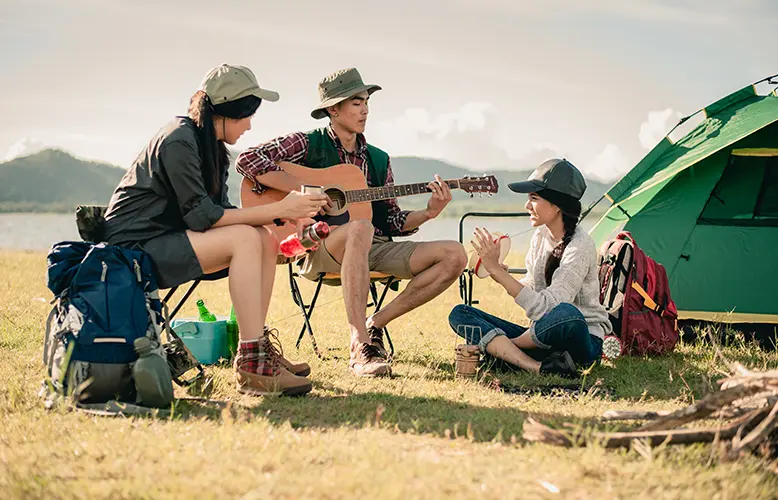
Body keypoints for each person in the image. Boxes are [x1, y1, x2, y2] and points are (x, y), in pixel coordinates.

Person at [102, 64, 329, 396]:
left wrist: (287, 217)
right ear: (224, 112)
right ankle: (253, 365)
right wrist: (278, 208)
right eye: (246, 116)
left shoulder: (212, 147)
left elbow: (221, 212)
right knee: (246, 238)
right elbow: (203, 217)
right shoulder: (179, 139)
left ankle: (256, 351)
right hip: (132, 252)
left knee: (264, 239)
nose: (250, 125)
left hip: (168, 240)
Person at [236, 68, 468, 377]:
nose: (365, 109)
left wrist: (429, 212)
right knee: (360, 228)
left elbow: (392, 220)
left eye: (367, 101)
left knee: (455, 254)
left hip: (368, 244)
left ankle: (375, 325)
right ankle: (358, 345)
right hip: (316, 246)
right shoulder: (307, 143)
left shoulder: (378, 159)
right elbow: (247, 160)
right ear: (333, 109)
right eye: (356, 102)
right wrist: (302, 195)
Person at [448, 159, 612, 377]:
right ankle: (534, 365)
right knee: (461, 313)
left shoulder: (580, 246)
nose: (527, 206)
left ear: (557, 205)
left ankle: (505, 349)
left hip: (580, 341)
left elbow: (547, 309)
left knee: (566, 313)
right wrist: (501, 273)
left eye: (534, 198)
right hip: (540, 338)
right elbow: (533, 288)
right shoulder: (541, 236)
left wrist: (498, 273)